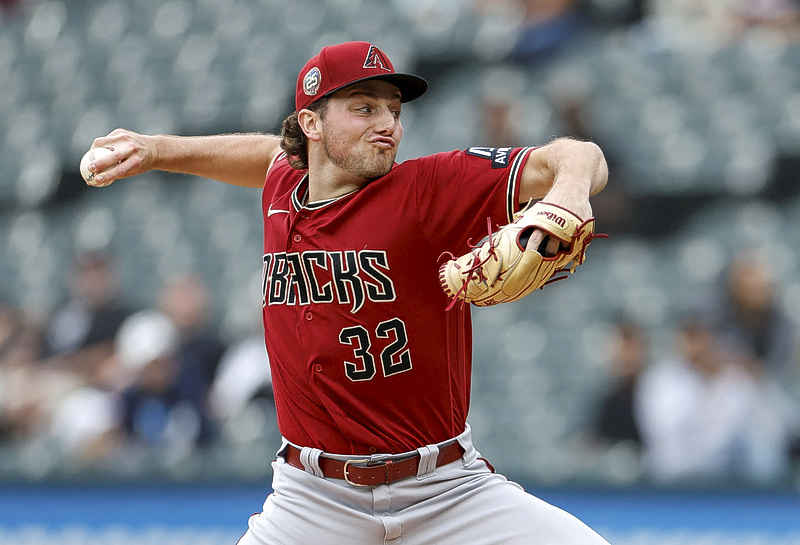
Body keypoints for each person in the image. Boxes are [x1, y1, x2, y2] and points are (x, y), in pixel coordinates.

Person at [84, 41, 609, 544]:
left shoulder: (426, 190)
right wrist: (156, 149)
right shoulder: (285, 187)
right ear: (311, 123)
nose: (387, 125)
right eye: (364, 108)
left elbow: (579, 156)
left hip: (444, 490)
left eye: (394, 110)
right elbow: (265, 155)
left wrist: (568, 189)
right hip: (312, 499)